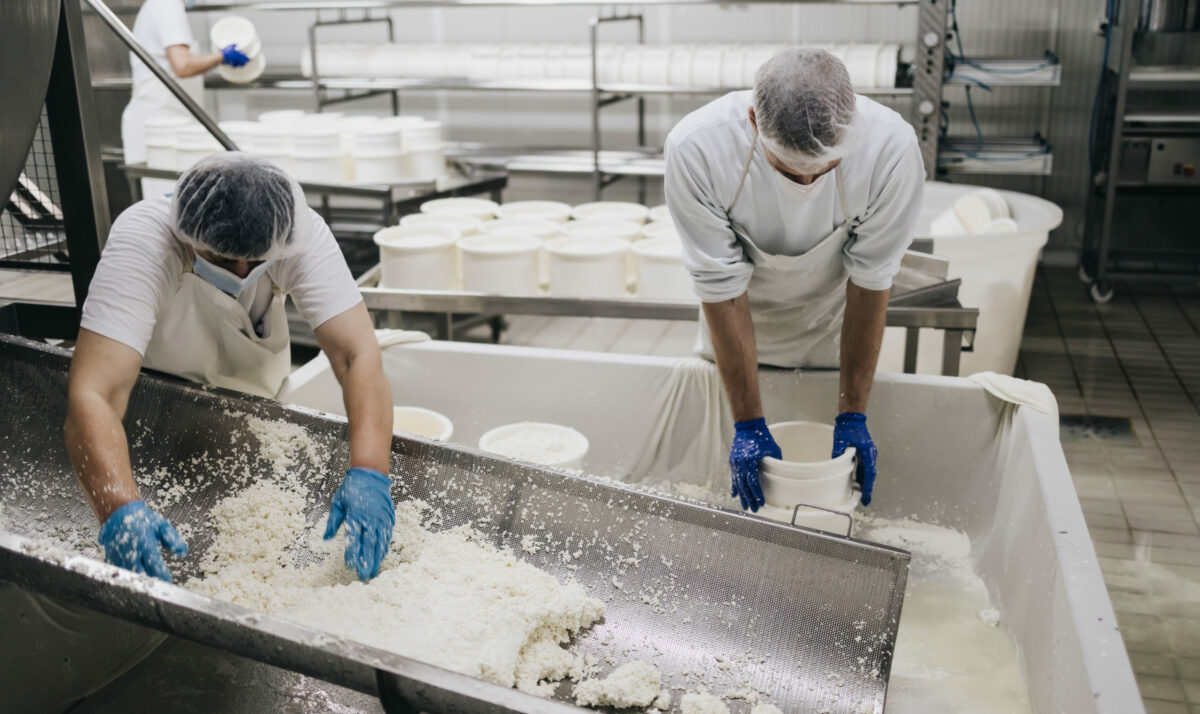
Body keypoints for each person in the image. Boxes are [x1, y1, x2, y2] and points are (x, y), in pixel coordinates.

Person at [64, 152, 395, 583]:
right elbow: (95, 393)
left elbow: (357, 356)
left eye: (257, 261)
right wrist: (119, 508)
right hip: (153, 414)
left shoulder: (292, 232)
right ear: (186, 234)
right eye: (222, 258)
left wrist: (370, 471)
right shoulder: (145, 239)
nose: (241, 270)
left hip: (255, 405)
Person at [663, 48, 925, 513]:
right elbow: (721, 289)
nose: (807, 186)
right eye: (787, 170)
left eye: (827, 168)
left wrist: (852, 411)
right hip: (735, 336)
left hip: (832, 333)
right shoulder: (698, 149)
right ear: (753, 120)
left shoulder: (891, 151)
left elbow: (870, 282)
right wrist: (747, 423)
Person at [121, 0, 249, 195]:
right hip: (160, 125)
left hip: (166, 120)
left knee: (175, 199)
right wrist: (221, 57)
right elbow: (182, 65)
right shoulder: (167, 5)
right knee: (168, 201)